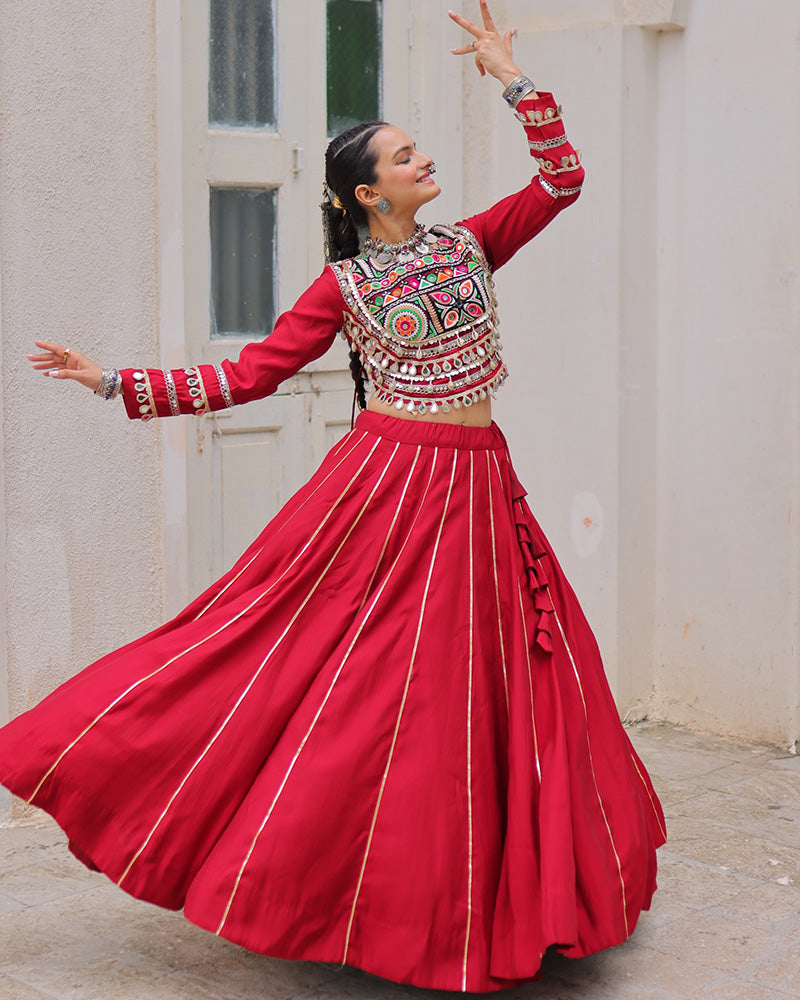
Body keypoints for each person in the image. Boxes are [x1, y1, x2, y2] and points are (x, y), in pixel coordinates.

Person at [0, 3, 665, 993]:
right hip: (388, 491)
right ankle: (361, 887)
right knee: (353, 680)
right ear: (367, 190)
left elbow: (562, 180)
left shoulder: (469, 243)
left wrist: (511, 80)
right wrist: (113, 382)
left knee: (497, 686)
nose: (422, 162)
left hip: (480, 484)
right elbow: (249, 377)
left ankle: (494, 896)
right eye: (405, 157)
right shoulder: (345, 288)